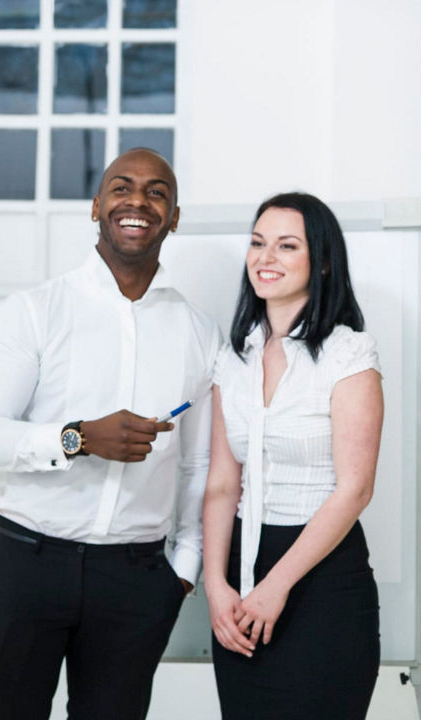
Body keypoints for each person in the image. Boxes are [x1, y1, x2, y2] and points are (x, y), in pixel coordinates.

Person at [0, 148, 222, 720]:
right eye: (122, 187)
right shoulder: (33, 311)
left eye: (157, 193)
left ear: (173, 216)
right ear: (97, 206)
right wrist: (76, 437)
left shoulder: (199, 332)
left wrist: (182, 571)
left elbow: (198, 464)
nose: (138, 201)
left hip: (138, 581)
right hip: (28, 564)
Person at [203, 193, 381, 719]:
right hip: (240, 577)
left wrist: (275, 585)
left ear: (321, 260)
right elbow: (220, 483)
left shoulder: (348, 354)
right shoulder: (233, 359)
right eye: (257, 243)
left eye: (286, 246)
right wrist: (217, 584)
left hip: (321, 581)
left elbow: (355, 488)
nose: (266, 258)